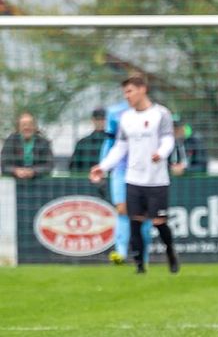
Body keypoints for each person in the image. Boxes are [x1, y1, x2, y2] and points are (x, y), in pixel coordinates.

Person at [90, 75, 179, 275]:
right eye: (125, 92)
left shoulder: (160, 114)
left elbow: (168, 140)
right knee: (135, 221)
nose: (127, 96)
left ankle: (171, 253)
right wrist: (103, 167)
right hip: (133, 178)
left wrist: (161, 153)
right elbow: (120, 148)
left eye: (129, 91)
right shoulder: (126, 118)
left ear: (142, 90)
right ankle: (140, 266)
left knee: (159, 222)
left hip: (157, 179)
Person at [101, 99, 153, 265]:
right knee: (122, 209)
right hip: (121, 169)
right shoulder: (115, 112)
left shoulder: (156, 112)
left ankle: (143, 256)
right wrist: (103, 165)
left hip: (144, 169)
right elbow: (110, 140)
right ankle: (121, 253)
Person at [1, 112, 54, 179]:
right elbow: (4, 165)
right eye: (23, 125)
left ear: (35, 127)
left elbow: (49, 165)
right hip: (14, 182)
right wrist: (16, 171)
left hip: (38, 182)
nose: (27, 127)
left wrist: (33, 171)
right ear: (19, 127)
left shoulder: (44, 143)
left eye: (30, 124)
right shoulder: (10, 141)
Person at [69, 108, 108, 173]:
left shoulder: (113, 142)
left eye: (103, 119)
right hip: (86, 180)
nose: (100, 122)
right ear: (93, 120)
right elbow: (73, 167)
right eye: (98, 119)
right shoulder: (82, 143)